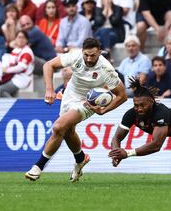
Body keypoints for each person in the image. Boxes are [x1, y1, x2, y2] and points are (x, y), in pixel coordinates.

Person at [25, 38, 127, 182]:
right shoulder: (75, 55)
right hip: (70, 94)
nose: (89, 58)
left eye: (93, 55)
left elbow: (122, 96)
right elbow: (48, 65)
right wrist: (49, 89)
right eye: (86, 55)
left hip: (88, 101)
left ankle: (38, 167)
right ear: (82, 51)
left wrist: (103, 110)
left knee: (59, 127)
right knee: (68, 131)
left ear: (99, 52)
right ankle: (81, 159)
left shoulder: (106, 69)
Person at [0, 30, 34, 97]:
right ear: (15, 39)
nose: (21, 39)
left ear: (27, 40)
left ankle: (11, 106)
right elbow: (9, 61)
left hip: (22, 79)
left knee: (1, 90)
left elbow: (21, 67)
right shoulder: (16, 50)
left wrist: (6, 70)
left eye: (23, 37)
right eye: (19, 37)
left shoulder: (27, 51)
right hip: (14, 77)